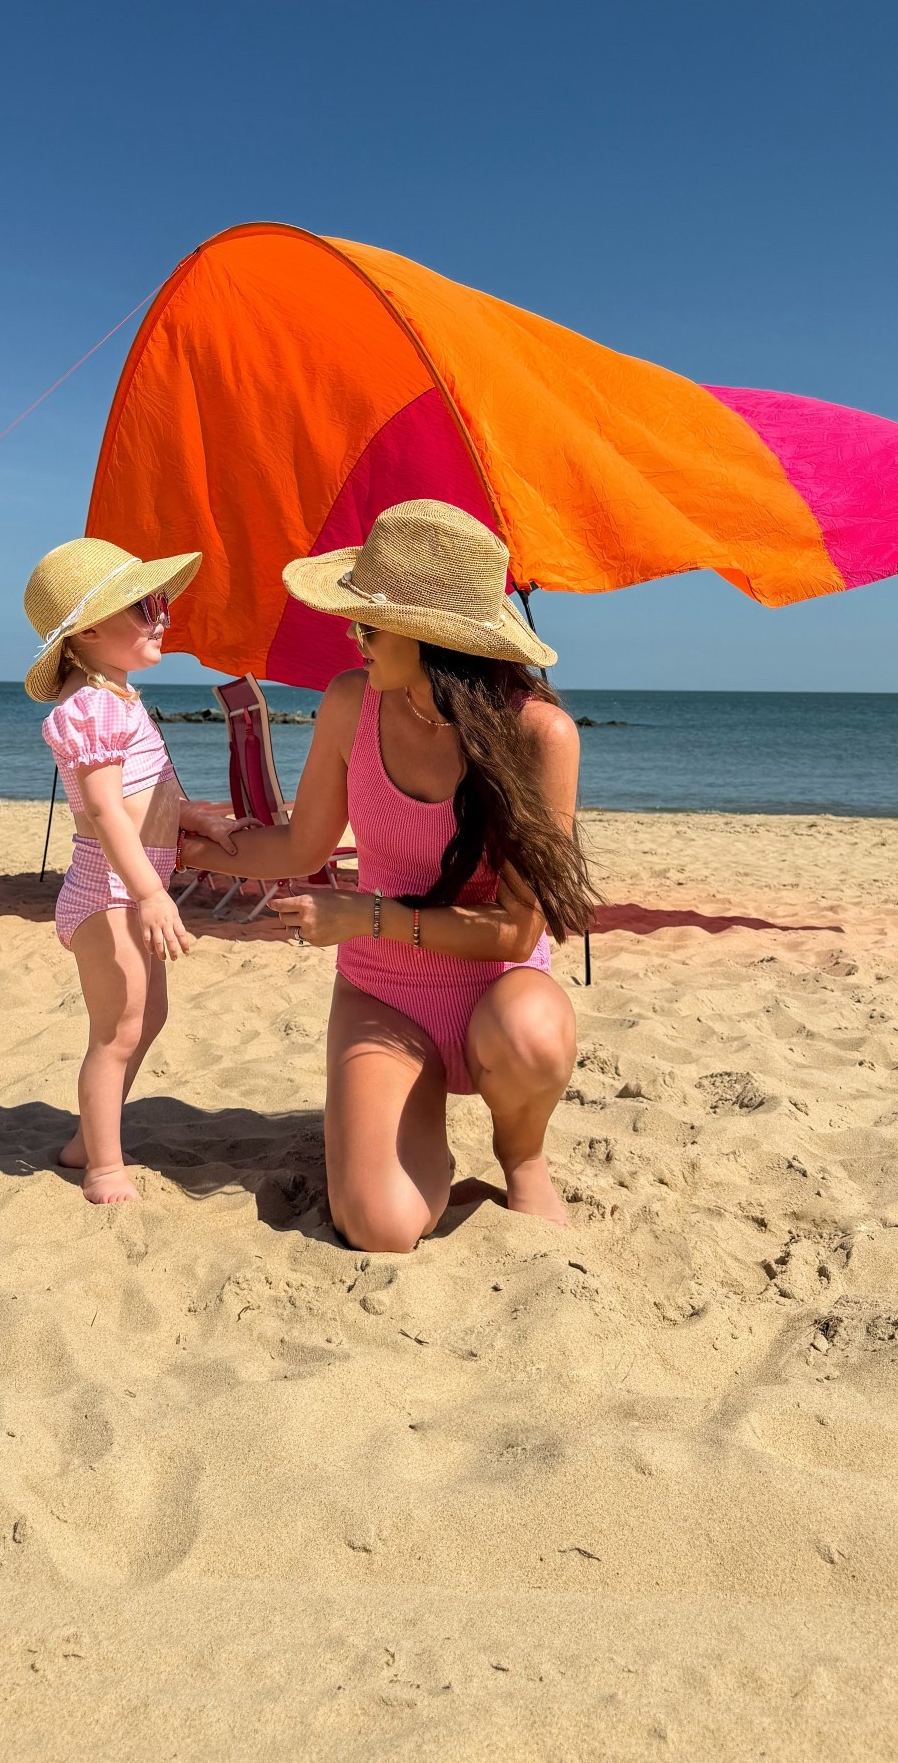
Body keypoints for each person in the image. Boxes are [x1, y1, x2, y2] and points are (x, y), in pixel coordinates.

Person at [181, 500, 593, 1252]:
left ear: (431, 637)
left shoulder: (542, 736)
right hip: (384, 998)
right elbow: (299, 846)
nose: (353, 636)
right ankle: (409, 1148)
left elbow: (516, 928)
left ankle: (522, 1156)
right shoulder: (350, 703)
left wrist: (366, 915)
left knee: (533, 1031)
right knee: (382, 1227)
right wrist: (183, 851)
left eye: (368, 624)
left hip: (496, 996)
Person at [24, 537, 236, 1205]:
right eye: (144, 606)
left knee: (148, 1018)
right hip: (106, 891)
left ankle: (92, 1136)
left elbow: (154, 789)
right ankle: (100, 1164)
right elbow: (106, 812)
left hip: (128, 887)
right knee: (116, 1031)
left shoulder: (119, 698)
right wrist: (150, 893)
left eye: (162, 601)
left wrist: (195, 819)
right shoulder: (89, 710)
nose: (163, 615)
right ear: (88, 630)